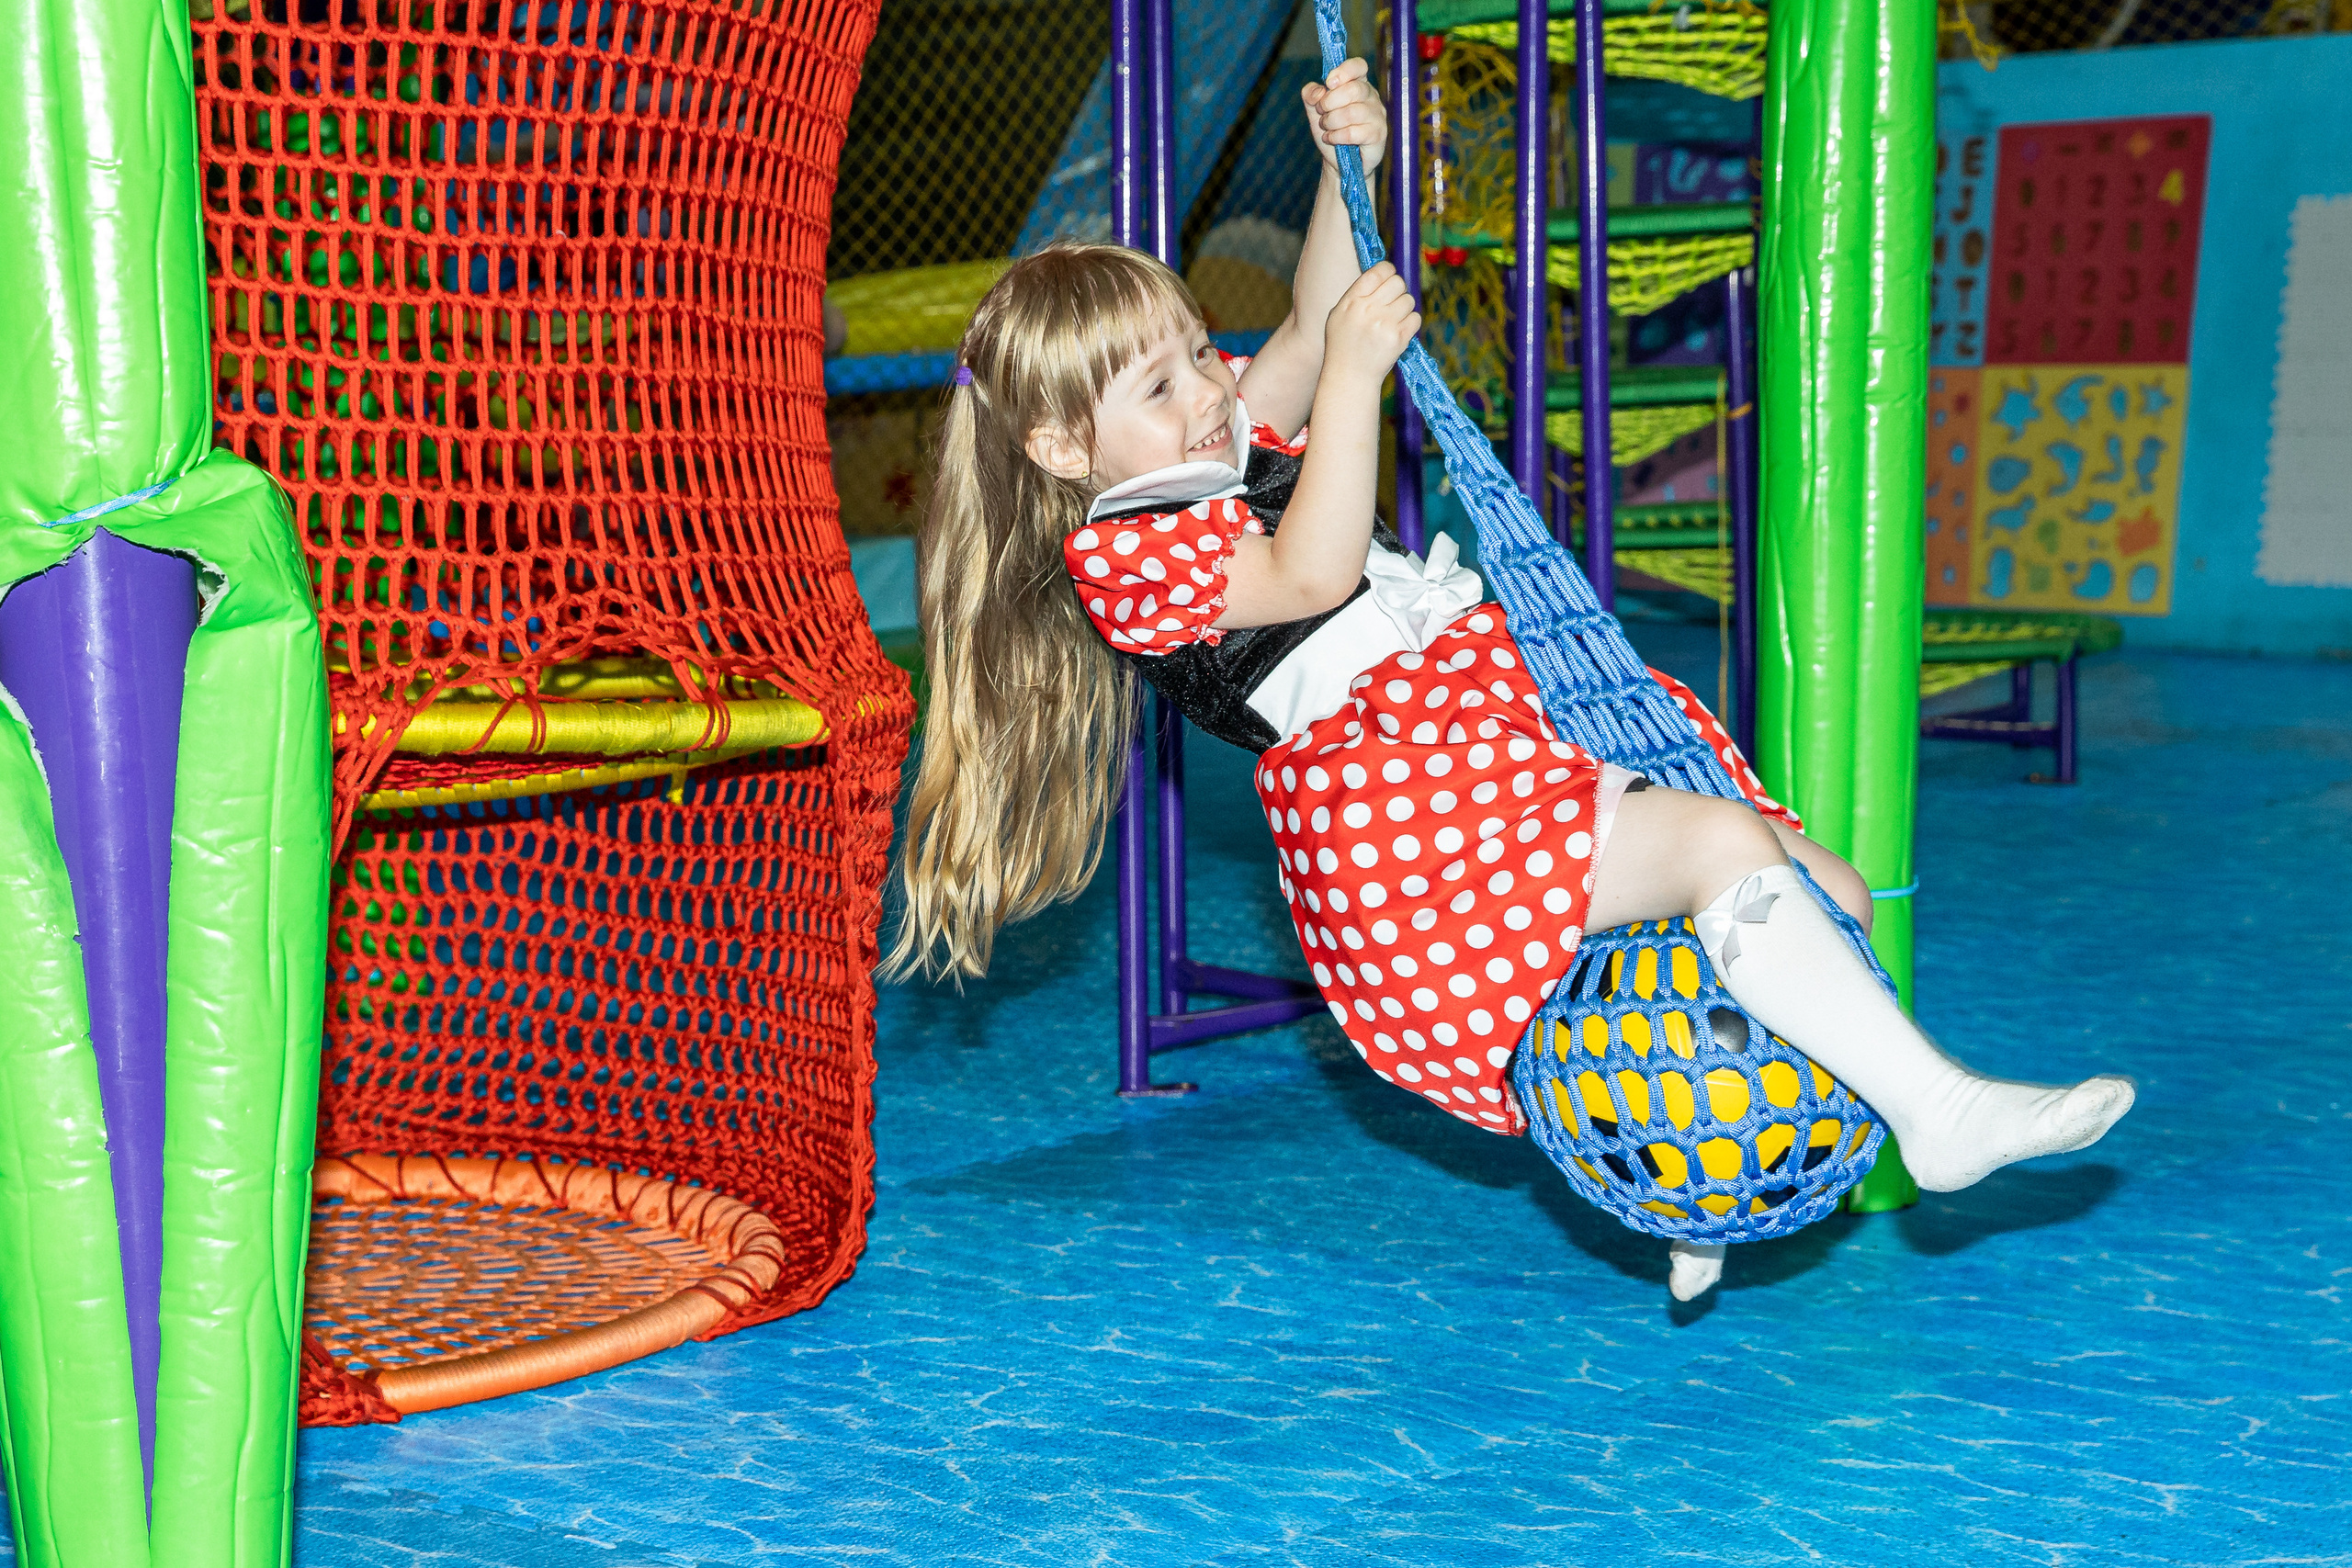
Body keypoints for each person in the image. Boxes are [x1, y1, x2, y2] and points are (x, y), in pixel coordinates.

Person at [888, 60, 2133, 1302]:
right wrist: (1355, 381)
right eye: (1160, 386)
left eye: (1201, 351)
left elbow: (1316, 323)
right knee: (1718, 849)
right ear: (1062, 447)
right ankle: (1937, 1112)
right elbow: (1313, 570)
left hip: (1491, 748)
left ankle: (1699, 1183)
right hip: (1409, 823)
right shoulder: (1123, 556)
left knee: (1831, 889)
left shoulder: (1226, 435)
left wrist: (1341, 166)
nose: (1211, 388)